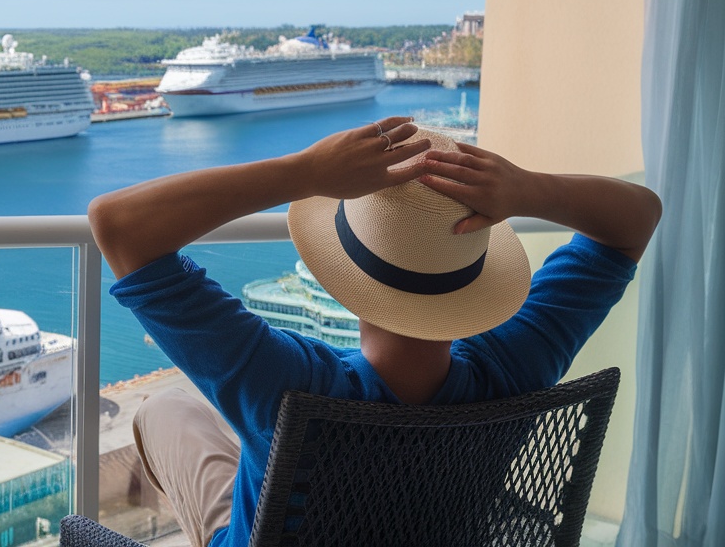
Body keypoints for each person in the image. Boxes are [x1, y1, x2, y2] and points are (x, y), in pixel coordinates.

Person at [86, 116, 661, 547]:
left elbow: (117, 223)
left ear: (343, 276)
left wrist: (302, 171)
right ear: (475, 273)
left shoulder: (285, 386)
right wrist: (531, 190)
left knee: (163, 411)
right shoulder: (518, 363)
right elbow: (637, 218)